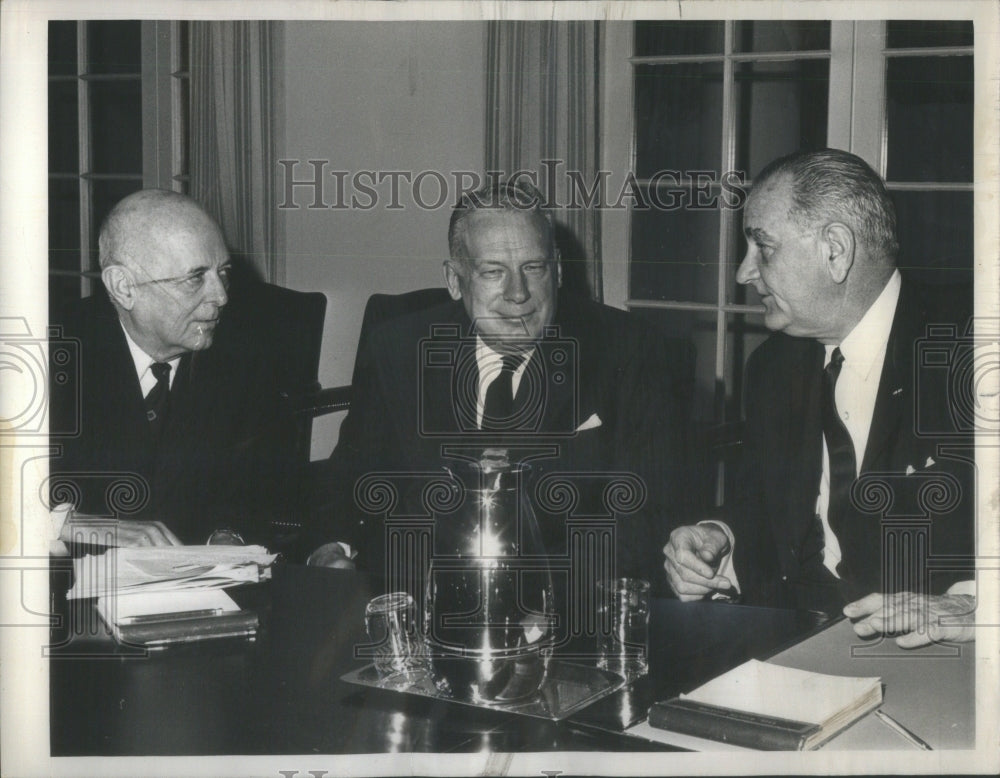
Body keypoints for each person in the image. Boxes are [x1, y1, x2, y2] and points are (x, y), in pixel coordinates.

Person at [662, 149, 976, 647]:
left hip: (935, 657)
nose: (743, 274)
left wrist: (975, 604)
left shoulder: (972, 346)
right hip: (796, 636)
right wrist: (720, 538)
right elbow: (765, 505)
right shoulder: (772, 367)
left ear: (835, 250)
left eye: (763, 249)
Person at [310, 180, 684, 589]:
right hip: (416, 593)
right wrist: (330, 549)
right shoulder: (398, 349)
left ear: (557, 270)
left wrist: (526, 595)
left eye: (533, 268)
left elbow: (649, 515)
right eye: (493, 272)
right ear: (455, 280)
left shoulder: (629, 350)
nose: (518, 294)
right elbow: (350, 479)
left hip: (565, 602)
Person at [49, 189, 288, 546]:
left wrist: (228, 537)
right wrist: (78, 525)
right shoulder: (48, 354)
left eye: (223, 272)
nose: (221, 296)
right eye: (195, 278)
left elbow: (254, 489)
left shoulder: (243, 356)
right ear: (123, 287)